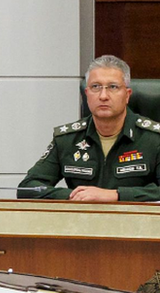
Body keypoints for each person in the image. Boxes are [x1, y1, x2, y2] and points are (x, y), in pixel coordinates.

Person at [18, 55, 160, 201]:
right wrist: (76, 196)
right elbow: (27, 188)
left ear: (127, 95)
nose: (103, 96)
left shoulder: (154, 139)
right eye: (95, 87)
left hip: (137, 222)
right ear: (87, 94)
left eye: (113, 87)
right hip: (81, 222)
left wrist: (116, 195)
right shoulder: (67, 140)